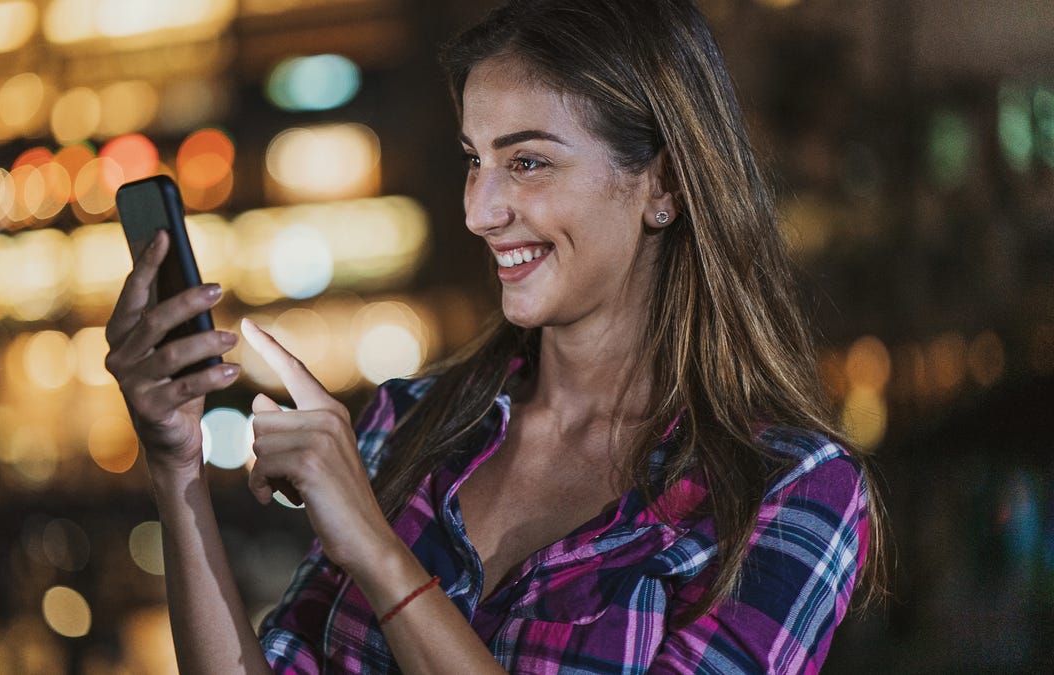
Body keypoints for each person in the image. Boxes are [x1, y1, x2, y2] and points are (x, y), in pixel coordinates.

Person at [105, 0, 887, 672]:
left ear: (666, 183)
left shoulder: (787, 493)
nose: (480, 210)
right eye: (475, 160)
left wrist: (380, 555)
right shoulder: (407, 427)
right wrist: (174, 465)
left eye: (529, 162)